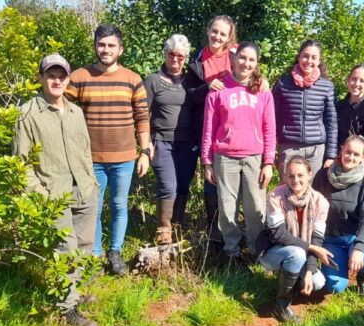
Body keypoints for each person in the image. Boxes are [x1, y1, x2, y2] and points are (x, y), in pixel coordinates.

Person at [13, 53, 100, 326]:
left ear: (68, 78)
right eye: (51, 75)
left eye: (61, 75)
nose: (57, 80)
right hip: (54, 195)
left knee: (85, 245)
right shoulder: (28, 114)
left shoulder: (75, 112)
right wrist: (41, 194)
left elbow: (85, 150)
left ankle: (76, 292)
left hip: (84, 190)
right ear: (40, 78)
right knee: (65, 250)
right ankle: (68, 310)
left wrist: (92, 183)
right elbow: (21, 164)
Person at [65, 24, 151, 276]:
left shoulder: (132, 79)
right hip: (90, 159)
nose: (106, 49)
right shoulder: (80, 77)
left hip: (124, 158)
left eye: (111, 45)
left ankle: (115, 253)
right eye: (101, 45)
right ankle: (94, 256)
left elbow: (142, 118)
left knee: (119, 205)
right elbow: (61, 108)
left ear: (120, 49)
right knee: (93, 208)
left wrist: (144, 152)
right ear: (95, 46)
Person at [200, 42, 276, 262]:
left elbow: (269, 128)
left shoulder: (263, 91)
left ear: (257, 63)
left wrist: (268, 162)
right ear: (234, 59)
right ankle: (231, 252)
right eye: (243, 57)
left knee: (256, 208)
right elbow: (208, 128)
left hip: (254, 157)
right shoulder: (218, 90)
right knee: (227, 207)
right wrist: (207, 162)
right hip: (224, 158)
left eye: (252, 59)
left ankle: (256, 250)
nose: (246, 63)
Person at [256, 156, 331, 322]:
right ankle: (281, 306)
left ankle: (294, 280)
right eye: (291, 176)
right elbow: (278, 235)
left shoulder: (321, 202)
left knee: (318, 282)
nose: (295, 180)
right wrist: (312, 247)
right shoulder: (276, 196)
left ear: (310, 175)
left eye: (300, 175)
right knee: (296, 253)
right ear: (286, 177)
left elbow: (316, 240)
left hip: (301, 252)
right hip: (272, 251)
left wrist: (310, 271)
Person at [188, 15, 240, 248]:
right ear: (208, 30)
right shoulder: (198, 57)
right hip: (207, 125)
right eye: (214, 31)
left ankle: (234, 233)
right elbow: (189, 93)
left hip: (233, 127)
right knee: (211, 179)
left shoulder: (235, 55)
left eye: (223, 33)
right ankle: (214, 235)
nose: (217, 37)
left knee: (233, 183)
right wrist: (207, 87)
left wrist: (264, 82)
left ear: (230, 37)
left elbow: (251, 79)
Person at [144, 34, 201, 244]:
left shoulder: (192, 81)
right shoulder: (152, 80)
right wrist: (146, 143)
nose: (175, 60)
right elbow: (142, 113)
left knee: (183, 186)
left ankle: (178, 226)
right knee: (168, 185)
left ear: (186, 57)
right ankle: (164, 228)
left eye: (180, 56)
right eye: (171, 55)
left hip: (188, 143)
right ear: (165, 54)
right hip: (161, 141)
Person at [313, 135, 364, 295]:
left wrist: (359, 247)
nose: (351, 157)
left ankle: (363, 275)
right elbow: (312, 209)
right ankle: (343, 267)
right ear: (342, 150)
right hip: (331, 239)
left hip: (355, 237)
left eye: (356, 154)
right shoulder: (323, 176)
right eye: (348, 152)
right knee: (335, 287)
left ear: (363, 158)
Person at [273, 40, 338, 180]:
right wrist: (272, 148)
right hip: (289, 148)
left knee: (312, 194)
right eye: (305, 56)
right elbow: (273, 118)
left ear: (319, 60)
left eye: (314, 57)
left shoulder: (327, 86)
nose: (309, 61)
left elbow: (331, 122)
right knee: (287, 191)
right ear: (298, 57)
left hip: (316, 150)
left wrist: (331, 155)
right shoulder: (283, 84)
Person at [335, 64, 364, 171]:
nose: (357, 83)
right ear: (348, 80)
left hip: (358, 166)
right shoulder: (339, 106)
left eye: (362, 81)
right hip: (337, 163)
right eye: (354, 79)